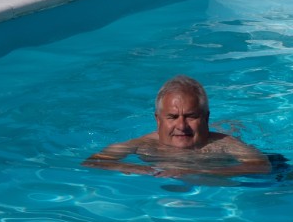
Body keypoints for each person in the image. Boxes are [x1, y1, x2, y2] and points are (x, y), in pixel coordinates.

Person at [82, 75, 273, 178]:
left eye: (191, 116)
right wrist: (142, 170)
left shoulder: (223, 145)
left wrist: (197, 172)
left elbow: (262, 166)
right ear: (158, 120)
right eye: (173, 117)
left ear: (206, 118)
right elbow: (93, 162)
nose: (181, 125)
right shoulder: (143, 145)